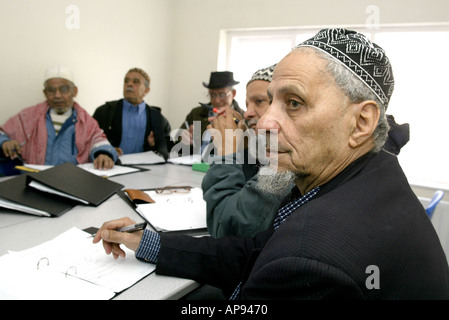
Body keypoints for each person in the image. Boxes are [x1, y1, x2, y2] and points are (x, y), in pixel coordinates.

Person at [94, 29, 449, 299]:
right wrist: (150, 243)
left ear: (361, 123)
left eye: (294, 103)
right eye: (270, 101)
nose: (263, 122)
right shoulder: (369, 176)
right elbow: (256, 251)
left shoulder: (312, 261)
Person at [202, 65, 288, 238]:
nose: (247, 112)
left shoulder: (285, 166)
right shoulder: (267, 151)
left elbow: (224, 227)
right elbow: (243, 196)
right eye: (248, 103)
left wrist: (227, 153)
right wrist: (244, 149)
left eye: (259, 101)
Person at [0, 65, 118, 170]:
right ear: (45, 93)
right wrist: (5, 142)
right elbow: (2, 133)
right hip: (35, 178)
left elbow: (99, 141)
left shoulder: (86, 121)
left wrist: (104, 154)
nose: (57, 95)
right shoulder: (28, 117)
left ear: (74, 91)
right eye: (51, 90)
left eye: (64, 89)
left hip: (73, 182)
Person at [93, 68, 172, 160]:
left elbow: (165, 148)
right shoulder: (105, 111)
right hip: (111, 166)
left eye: (136, 82)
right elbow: (90, 139)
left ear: (146, 90)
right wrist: (106, 149)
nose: (129, 84)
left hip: (144, 169)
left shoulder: (156, 117)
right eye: (126, 81)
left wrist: (154, 145)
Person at [175, 71, 244, 153]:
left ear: (233, 93)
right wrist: (181, 137)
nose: (217, 100)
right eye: (213, 95)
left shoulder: (243, 117)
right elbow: (176, 142)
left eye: (222, 95)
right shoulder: (196, 113)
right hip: (194, 163)